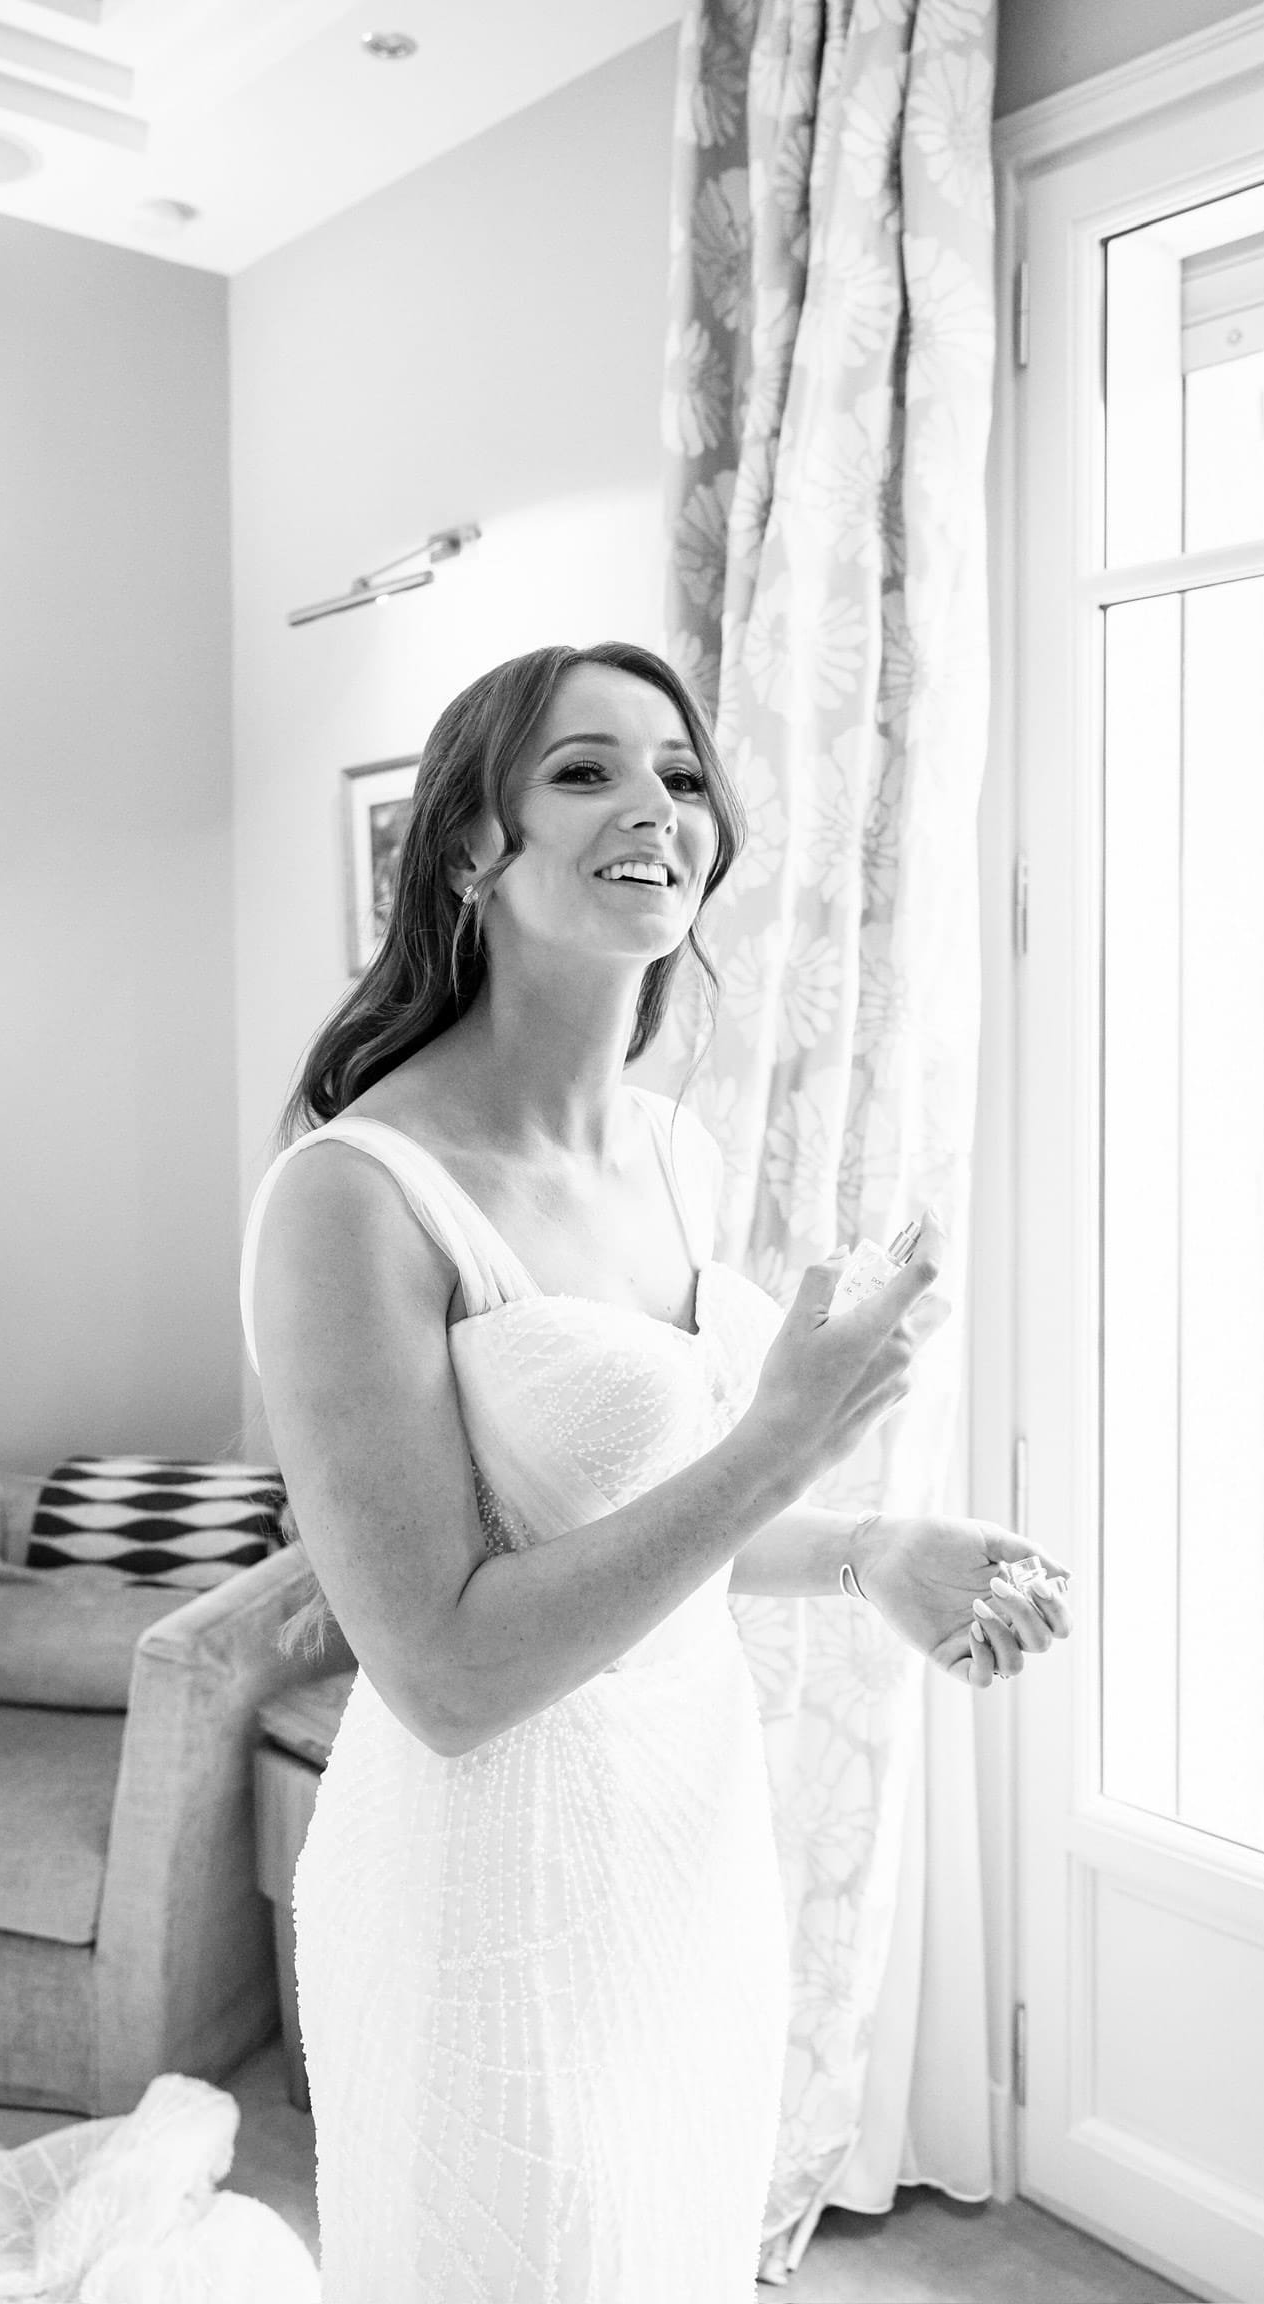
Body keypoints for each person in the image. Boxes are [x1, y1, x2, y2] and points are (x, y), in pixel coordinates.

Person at [240, 640, 1071, 2304]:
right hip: (488, 1889)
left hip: (689, 1853)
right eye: (585, 770)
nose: (656, 809)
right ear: (472, 848)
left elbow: (625, 1525)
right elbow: (452, 1672)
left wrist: (867, 1547)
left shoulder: (671, 1148)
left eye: (682, 777)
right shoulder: (352, 1197)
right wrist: (781, 1441)